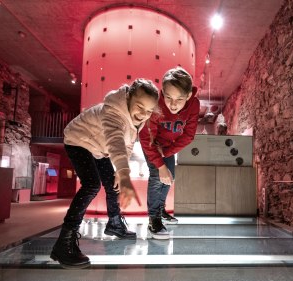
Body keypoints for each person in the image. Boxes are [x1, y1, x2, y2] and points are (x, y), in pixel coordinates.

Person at [50, 79, 159, 268]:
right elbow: (115, 139)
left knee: (112, 184)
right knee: (92, 184)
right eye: (140, 107)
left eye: (149, 111)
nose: (143, 114)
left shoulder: (136, 121)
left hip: (99, 147)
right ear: (128, 98)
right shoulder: (114, 112)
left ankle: (115, 224)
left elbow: (127, 143)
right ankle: (63, 243)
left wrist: (120, 171)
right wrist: (124, 174)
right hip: (79, 139)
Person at [139, 67, 200, 239]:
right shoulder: (155, 103)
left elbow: (188, 136)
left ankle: (160, 210)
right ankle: (153, 220)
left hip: (166, 146)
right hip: (151, 144)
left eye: (179, 99)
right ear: (162, 93)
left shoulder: (194, 104)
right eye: (168, 98)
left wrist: (166, 152)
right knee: (158, 177)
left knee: (169, 176)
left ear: (188, 96)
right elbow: (145, 137)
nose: (173, 104)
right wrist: (159, 164)